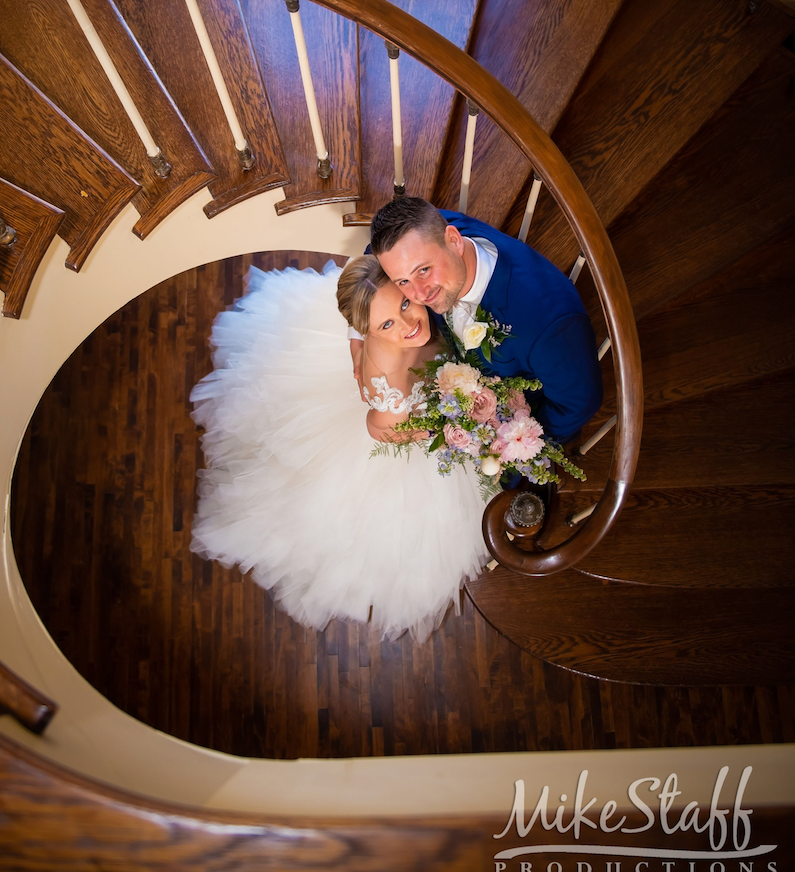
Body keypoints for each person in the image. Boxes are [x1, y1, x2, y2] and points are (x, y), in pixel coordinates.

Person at [189, 257, 487, 642]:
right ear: (371, 333)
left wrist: (359, 338)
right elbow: (379, 429)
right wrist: (436, 433)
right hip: (402, 423)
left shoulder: (410, 305)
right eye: (386, 325)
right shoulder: (387, 383)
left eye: (403, 304)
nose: (409, 323)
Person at [353, 197, 602, 443]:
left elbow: (577, 404)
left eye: (424, 270)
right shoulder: (420, 234)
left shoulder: (551, 326)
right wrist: (357, 338)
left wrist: (508, 448)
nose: (419, 294)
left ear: (454, 241)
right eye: (403, 281)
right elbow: (373, 259)